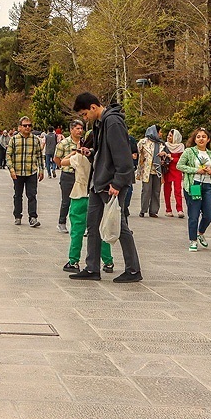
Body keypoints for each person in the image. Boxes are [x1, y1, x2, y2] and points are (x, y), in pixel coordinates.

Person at [69, 92, 142, 283]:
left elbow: (123, 155)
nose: (85, 118)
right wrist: (91, 152)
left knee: (119, 225)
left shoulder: (113, 122)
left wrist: (118, 182)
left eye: (85, 114)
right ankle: (92, 267)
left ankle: (133, 269)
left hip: (110, 183)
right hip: (98, 182)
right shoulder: (100, 123)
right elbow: (105, 151)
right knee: (92, 224)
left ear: (93, 107)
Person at [60, 132, 113, 273]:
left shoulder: (80, 157)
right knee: (99, 229)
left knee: (77, 230)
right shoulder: (101, 158)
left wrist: (75, 151)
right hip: (97, 196)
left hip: (80, 194)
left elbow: (62, 162)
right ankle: (108, 261)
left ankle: (74, 261)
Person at [176, 128, 211, 251]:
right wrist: (196, 170)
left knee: (210, 213)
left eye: (204, 137)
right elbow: (179, 165)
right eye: (198, 137)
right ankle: (193, 240)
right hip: (193, 185)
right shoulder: (189, 152)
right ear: (194, 139)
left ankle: (201, 232)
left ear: (208, 139)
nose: (201, 139)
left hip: (208, 186)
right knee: (193, 215)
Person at [6, 116, 44, 227]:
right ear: (19, 127)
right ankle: (17, 216)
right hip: (17, 172)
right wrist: (11, 170)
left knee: (32, 195)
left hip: (31, 172)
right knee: (18, 195)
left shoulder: (35, 140)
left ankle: (33, 217)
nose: (27, 127)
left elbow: (39, 156)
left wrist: (41, 170)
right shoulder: (14, 139)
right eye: (25, 125)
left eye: (29, 125)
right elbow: (8, 155)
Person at [54, 119, 85, 234]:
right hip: (68, 174)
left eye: (81, 128)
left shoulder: (84, 142)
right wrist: (63, 166)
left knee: (81, 200)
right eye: (77, 128)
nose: (80, 131)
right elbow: (56, 158)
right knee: (66, 200)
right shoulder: (64, 143)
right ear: (71, 130)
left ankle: (80, 224)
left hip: (81, 175)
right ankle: (62, 222)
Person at [136, 125, 169, 218]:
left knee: (156, 191)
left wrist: (164, 154)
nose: (161, 134)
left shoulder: (161, 144)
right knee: (146, 190)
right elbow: (137, 153)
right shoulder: (143, 142)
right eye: (160, 132)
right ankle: (143, 210)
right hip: (146, 170)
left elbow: (168, 156)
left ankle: (153, 211)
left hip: (158, 171)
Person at [164, 129, 186, 218]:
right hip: (167, 170)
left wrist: (172, 158)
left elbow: (182, 160)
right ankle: (168, 209)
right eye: (168, 135)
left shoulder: (181, 147)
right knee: (167, 191)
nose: (168, 137)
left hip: (177, 170)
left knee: (177, 190)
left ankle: (180, 209)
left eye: (170, 135)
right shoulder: (165, 145)